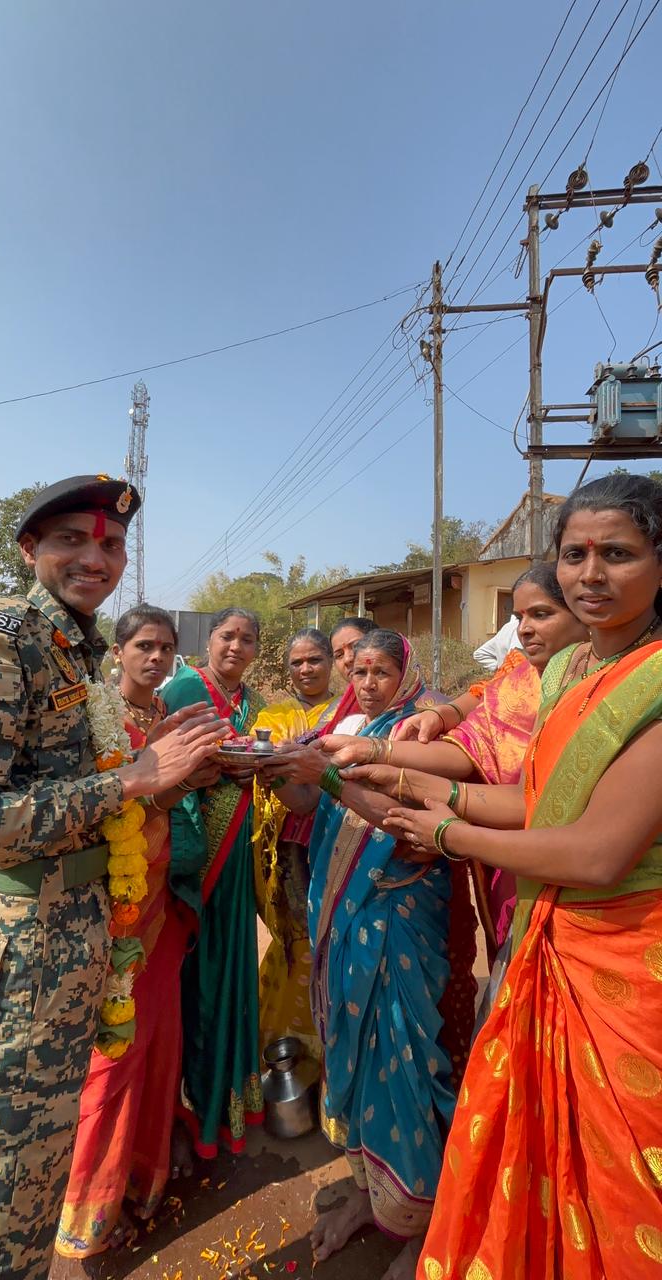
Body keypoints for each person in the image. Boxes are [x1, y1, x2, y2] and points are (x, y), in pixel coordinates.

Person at [375, 474, 662, 1280]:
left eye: (619, 553)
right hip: (551, 941)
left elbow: (596, 852)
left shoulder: (657, 681)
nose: (591, 574)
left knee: (616, 1183)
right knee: (532, 1151)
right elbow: (535, 800)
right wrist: (428, 784)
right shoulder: (571, 672)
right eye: (575, 554)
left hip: (624, 966)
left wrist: (445, 828)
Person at [0, 477, 228, 1280]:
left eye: (109, 544)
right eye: (71, 539)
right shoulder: (1, 640)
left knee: (33, 1191)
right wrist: (132, 779)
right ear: (29, 550)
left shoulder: (79, 645)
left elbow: (85, 802)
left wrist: (163, 766)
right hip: (24, 956)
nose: (93, 558)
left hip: (81, 947)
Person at [270, 630, 456, 1280]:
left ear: (407, 672)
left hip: (398, 916)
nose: (368, 680)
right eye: (361, 668)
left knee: (399, 1061)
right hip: (338, 912)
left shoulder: (427, 734)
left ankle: (419, 1222)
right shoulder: (348, 722)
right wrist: (280, 772)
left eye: (381, 670)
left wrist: (321, 773)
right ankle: (362, 1193)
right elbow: (307, 803)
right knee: (346, 1047)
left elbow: (410, 825)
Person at [325, 564, 588, 958]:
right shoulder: (515, 679)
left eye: (541, 614)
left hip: (575, 865)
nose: (524, 629)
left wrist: (383, 763)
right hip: (505, 857)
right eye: (518, 618)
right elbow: (467, 745)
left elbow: (532, 797)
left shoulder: (604, 684)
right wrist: (378, 749)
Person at [57, 605, 215, 1258]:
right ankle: (85, 1217)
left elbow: (164, 796)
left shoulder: (162, 722)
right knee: (113, 1059)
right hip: (114, 915)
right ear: (118, 652)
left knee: (159, 1044)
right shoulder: (92, 719)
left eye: (166, 647)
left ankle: (142, 1179)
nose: (155, 657)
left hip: (165, 909)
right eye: (143, 645)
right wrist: (166, 786)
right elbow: (95, 808)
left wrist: (190, 780)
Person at [163, 608, 266, 1158]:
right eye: (228, 635)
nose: (236, 646)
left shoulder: (251, 702)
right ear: (211, 640)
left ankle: (229, 1098)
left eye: (247, 639)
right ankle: (191, 1108)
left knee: (230, 969)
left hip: (237, 860)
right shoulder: (185, 687)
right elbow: (169, 770)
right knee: (196, 977)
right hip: (196, 858)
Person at [253, 628, 336, 1059]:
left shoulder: (348, 712)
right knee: (295, 940)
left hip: (339, 841)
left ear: (331, 663)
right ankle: (288, 1040)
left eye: (315, 660)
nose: (306, 669)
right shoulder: (274, 715)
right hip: (288, 848)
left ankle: (326, 1049)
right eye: (297, 662)